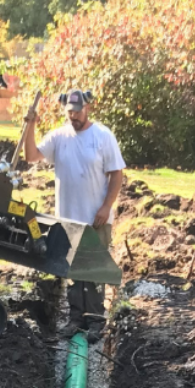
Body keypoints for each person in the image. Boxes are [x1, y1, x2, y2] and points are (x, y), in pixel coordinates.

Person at [23, 89, 126, 338]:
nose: (74, 116)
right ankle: (75, 319)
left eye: (77, 112)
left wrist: (106, 207)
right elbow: (31, 156)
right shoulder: (59, 137)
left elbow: (117, 174)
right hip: (67, 219)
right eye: (69, 112)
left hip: (95, 218)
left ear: (87, 108)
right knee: (72, 272)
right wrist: (30, 126)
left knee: (93, 271)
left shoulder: (102, 136)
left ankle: (95, 321)